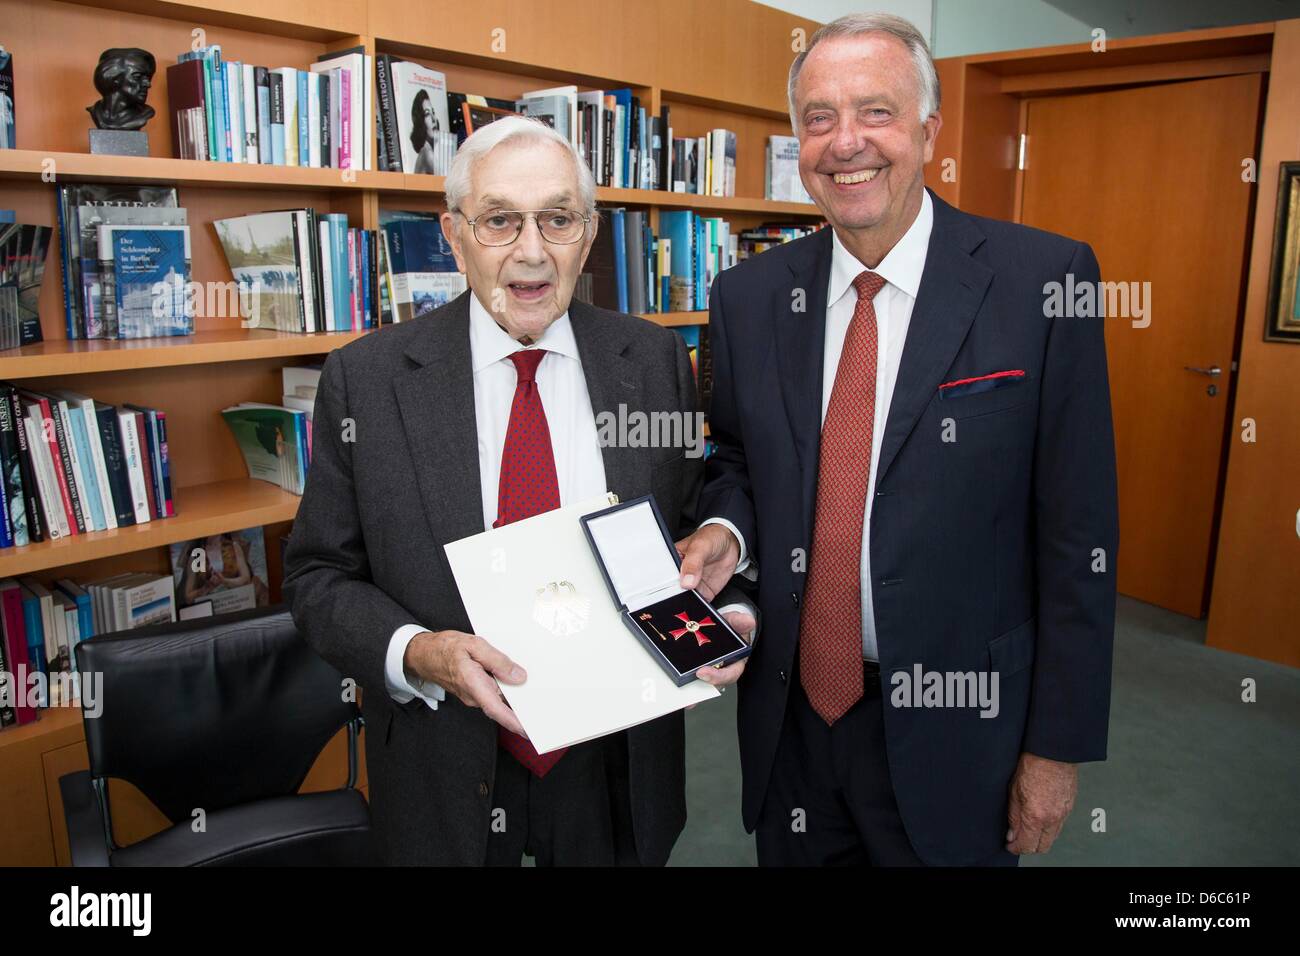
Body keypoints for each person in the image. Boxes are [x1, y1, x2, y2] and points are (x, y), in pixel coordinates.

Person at [675, 13, 1118, 866]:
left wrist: (1056, 749)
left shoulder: (1043, 283)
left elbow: (1080, 534)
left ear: (928, 128)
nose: (846, 143)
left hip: (965, 731)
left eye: (875, 112)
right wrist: (725, 531)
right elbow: (733, 456)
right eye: (818, 118)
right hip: (793, 721)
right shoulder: (748, 297)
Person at [284, 115, 755, 866]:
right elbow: (318, 578)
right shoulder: (366, 381)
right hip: (446, 761)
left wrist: (726, 613)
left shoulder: (655, 361)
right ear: (454, 234)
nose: (531, 252)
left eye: (558, 219)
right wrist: (419, 652)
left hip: (619, 766)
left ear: (590, 233)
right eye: (500, 220)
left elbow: (699, 531)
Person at [411, 89, 440, 174]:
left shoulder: (428, 150)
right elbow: (450, 180)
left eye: (433, 112)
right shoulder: (426, 152)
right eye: (427, 114)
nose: (434, 119)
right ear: (421, 123)